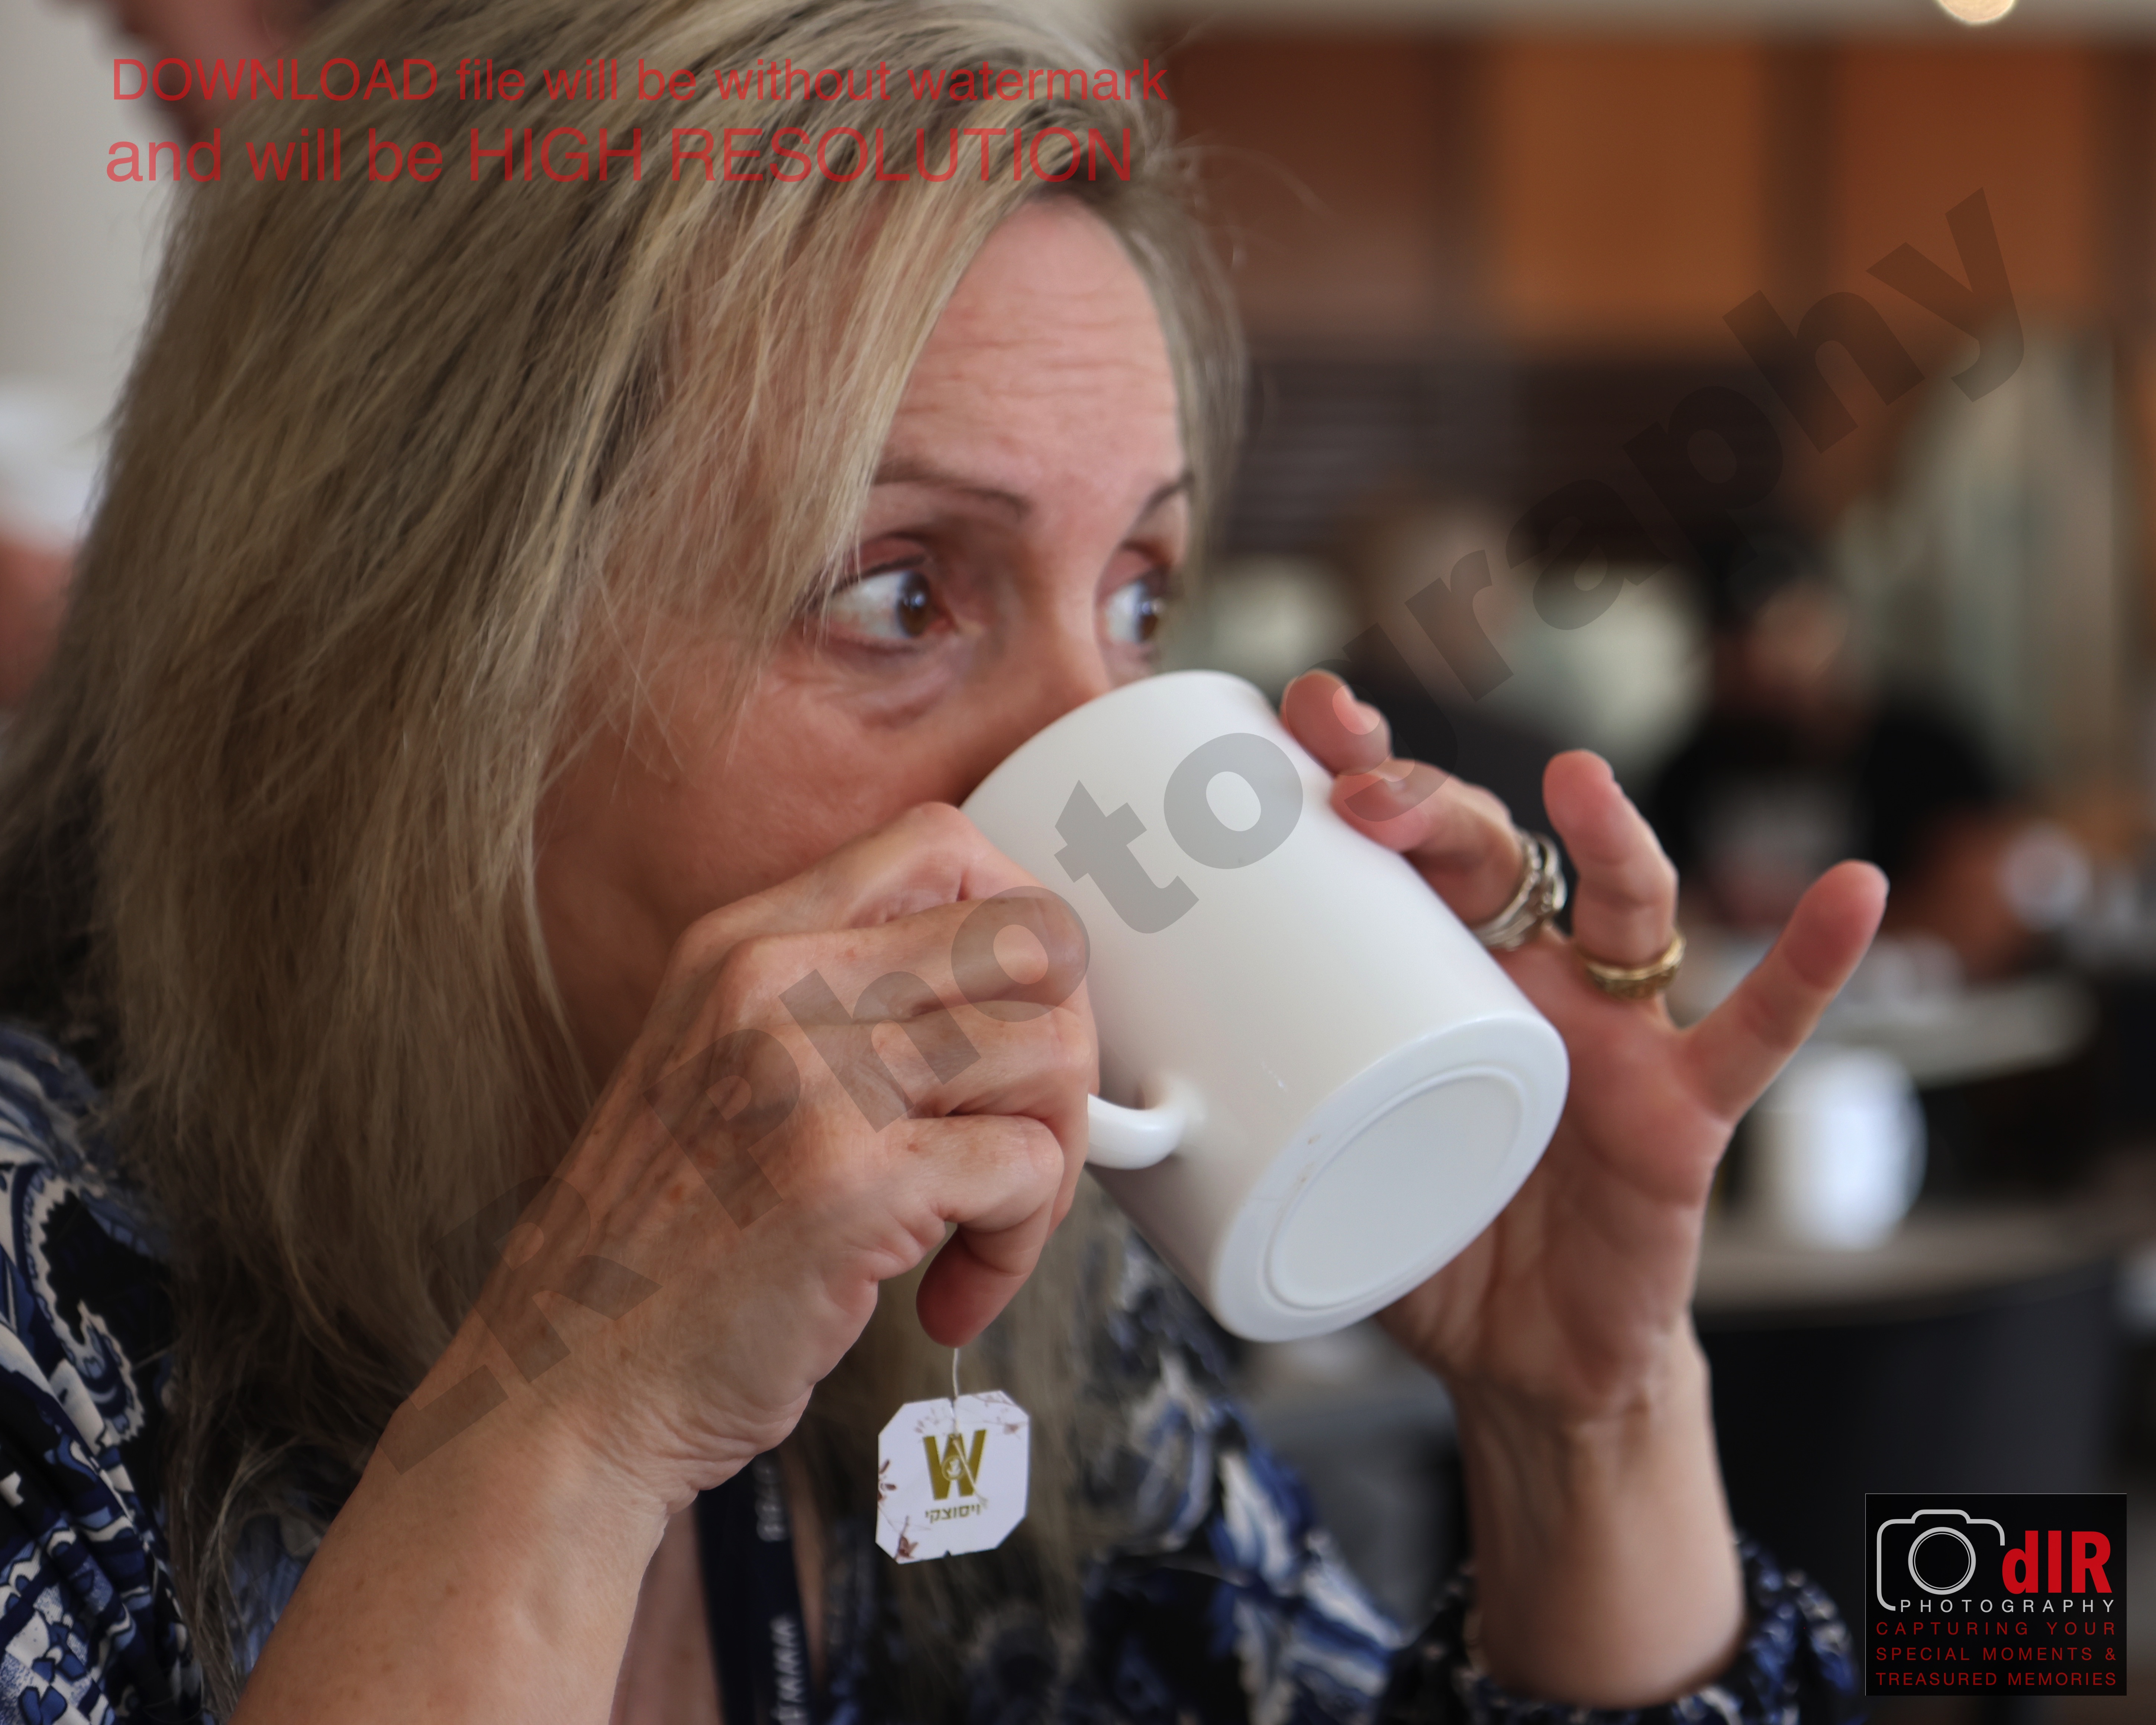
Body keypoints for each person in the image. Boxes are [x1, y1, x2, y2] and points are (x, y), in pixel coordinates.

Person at [0, 0, 1886, 1719]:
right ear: (404, 662)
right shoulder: (43, 1310)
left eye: (1139, 596)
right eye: (901, 592)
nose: (1107, 790)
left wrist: (1585, 1415)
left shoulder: (1018, 1291)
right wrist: (572, 1421)